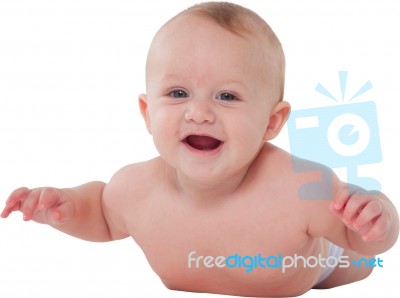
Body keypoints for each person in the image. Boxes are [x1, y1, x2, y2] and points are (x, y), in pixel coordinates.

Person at [1, 2, 398, 297]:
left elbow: (361, 240)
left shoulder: (300, 188)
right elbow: (102, 216)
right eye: (178, 93)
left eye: (227, 96)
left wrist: (374, 218)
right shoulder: (134, 189)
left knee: (357, 264)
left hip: (318, 262)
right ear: (147, 112)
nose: (199, 113)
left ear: (271, 122)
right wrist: (64, 207)